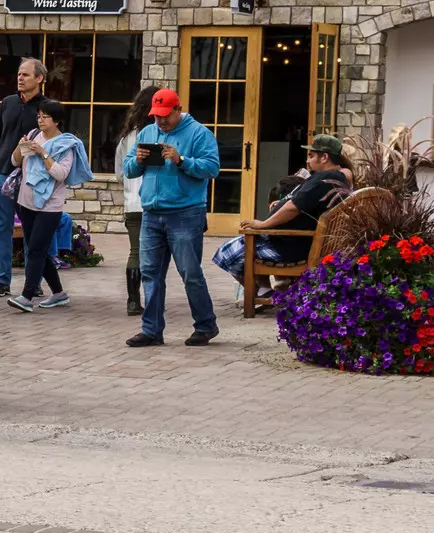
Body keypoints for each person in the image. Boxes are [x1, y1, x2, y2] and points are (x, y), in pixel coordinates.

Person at [121, 88, 221, 347]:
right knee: (150, 273)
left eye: (166, 115)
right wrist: (139, 161)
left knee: (190, 272)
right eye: (157, 116)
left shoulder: (199, 133)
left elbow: (212, 168)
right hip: (152, 213)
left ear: (178, 109)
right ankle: (152, 330)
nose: (161, 121)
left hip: (185, 213)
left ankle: (206, 326)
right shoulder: (147, 132)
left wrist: (182, 160)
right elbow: (128, 170)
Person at [213, 134, 353, 290]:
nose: (307, 160)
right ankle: (264, 290)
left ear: (325, 157)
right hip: (291, 241)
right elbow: (301, 201)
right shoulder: (337, 177)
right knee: (243, 243)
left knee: (227, 252)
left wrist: (264, 224)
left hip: (290, 246)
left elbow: (294, 207)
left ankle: (258, 291)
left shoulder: (324, 179)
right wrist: (281, 203)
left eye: (311, 156)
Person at [7, 98, 92, 312]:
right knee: (39, 251)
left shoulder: (66, 145)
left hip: (49, 206)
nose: (40, 120)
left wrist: (43, 153)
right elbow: (15, 162)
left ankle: (27, 296)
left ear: (57, 121)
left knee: (35, 249)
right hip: (26, 201)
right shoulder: (35, 135)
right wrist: (20, 147)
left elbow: (60, 174)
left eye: (45, 116)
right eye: (39, 116)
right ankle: (59, 293)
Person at [0, 57, 47, 298]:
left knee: (33, 231)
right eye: (19, 74)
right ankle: (2, 281)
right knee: (0, 227)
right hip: (2, 174)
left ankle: (33, 282)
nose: (20, 78)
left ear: (39, 79)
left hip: (32, 178)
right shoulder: (7, 103)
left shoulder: (47, 107)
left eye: (26, 75)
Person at [114, 86, 159, 317]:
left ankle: (133, 300)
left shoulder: (126, 137)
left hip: (132, 203)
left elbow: (119, 172)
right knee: (156, 254)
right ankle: (151, 299)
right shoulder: (157, 134)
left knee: (136, 252)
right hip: (155, 201)